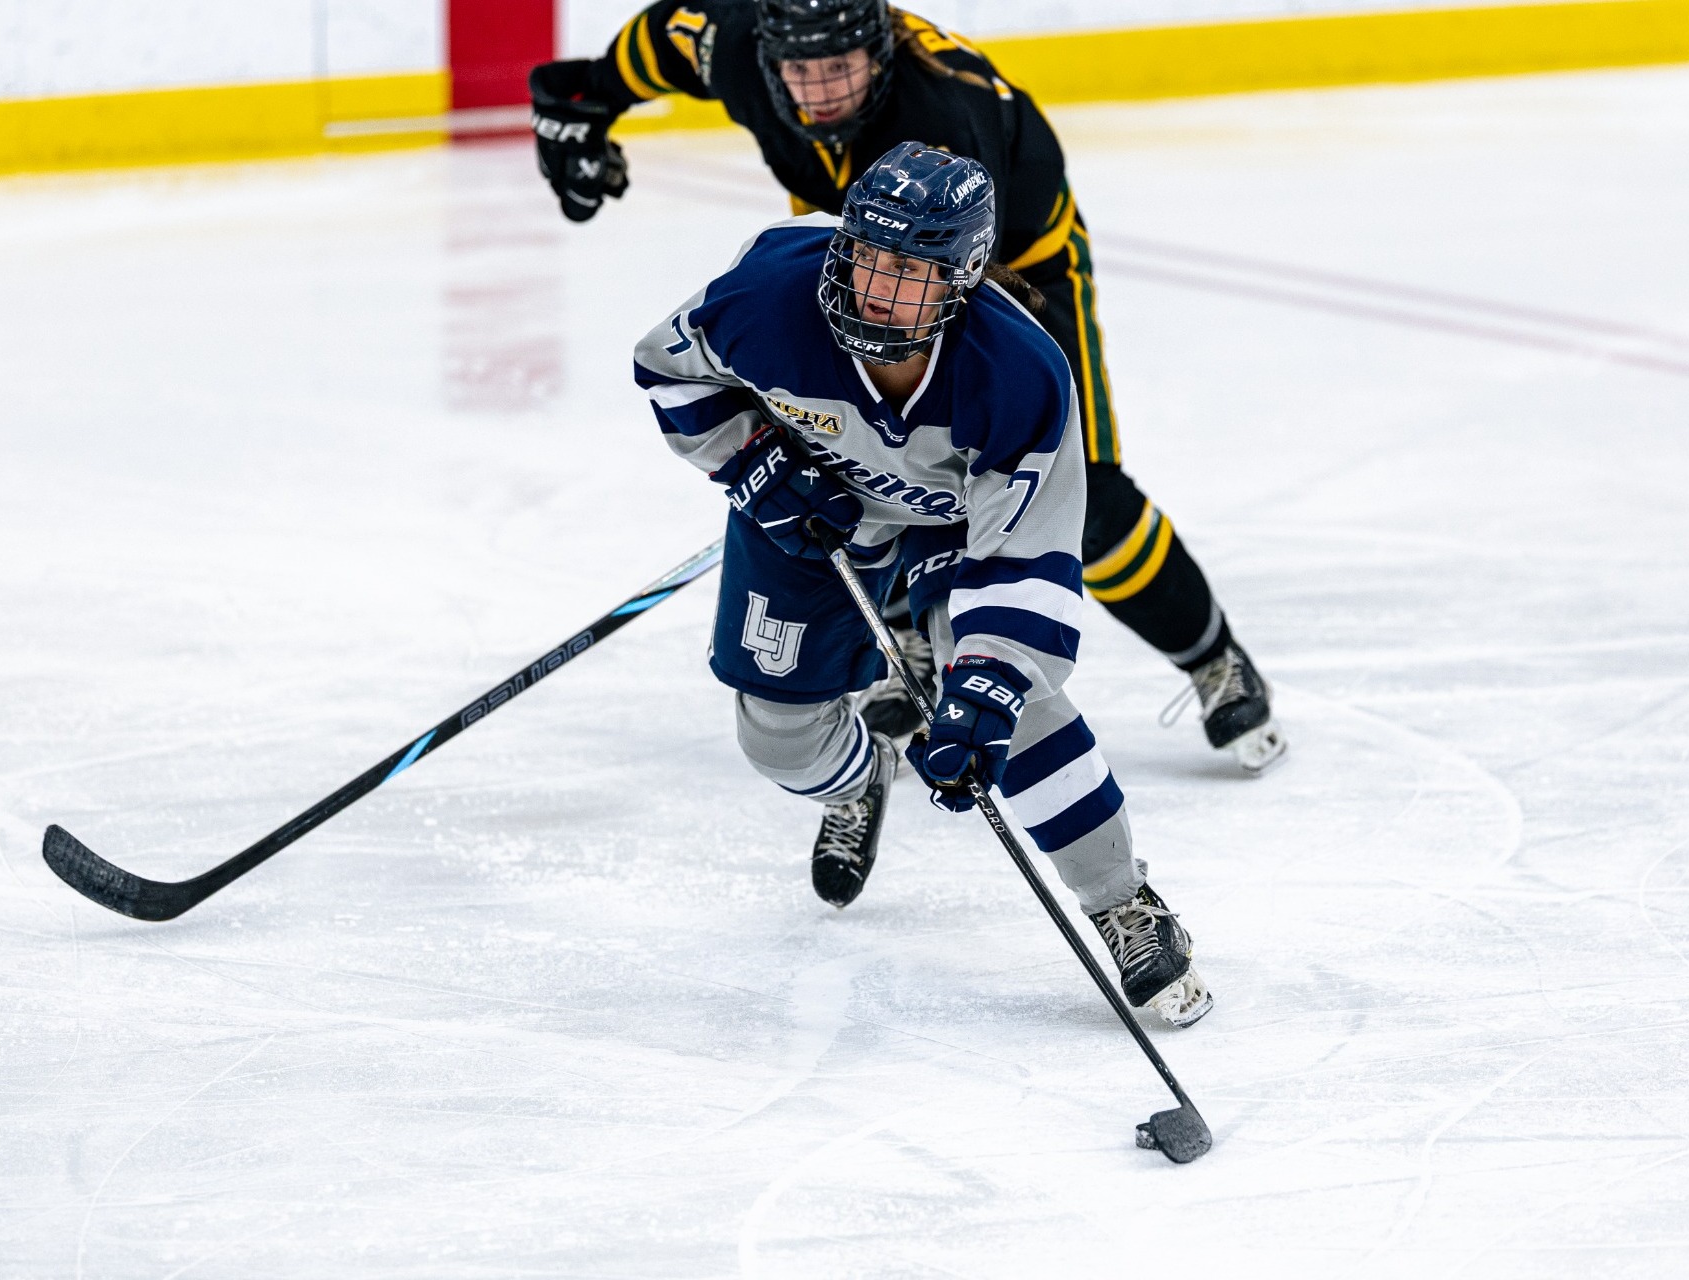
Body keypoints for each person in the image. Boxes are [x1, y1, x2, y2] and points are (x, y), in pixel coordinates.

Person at [534, 0, 1288, 774]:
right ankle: (912, 643)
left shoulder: (942, 124)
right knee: (847, 457)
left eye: (840, 68)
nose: (819, 91)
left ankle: (1212, 657)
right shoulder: (740, 44)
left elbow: (961, 308)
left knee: (1073, 491)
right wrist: (587, 103)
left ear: (881, 49)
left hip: (1005, 279)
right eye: (799, 71)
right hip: (851, 274)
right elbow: (665, 40)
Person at [632, 141, 1211, 1026]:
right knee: (778, 742)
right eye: (867, 252)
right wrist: (752, 463)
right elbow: (670, 369)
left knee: (1010, 707)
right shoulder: (769, 293)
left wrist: (987, 684)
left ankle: (1121, 901)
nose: (875, 284)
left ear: (961, 279)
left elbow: (1025, 560)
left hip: (955, 520)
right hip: (810, 502)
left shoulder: (1019, 374)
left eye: (907, 268)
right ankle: (860, 781)